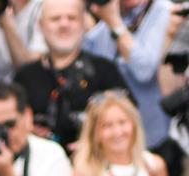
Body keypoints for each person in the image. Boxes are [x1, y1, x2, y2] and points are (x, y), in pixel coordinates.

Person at [14, 0, 128, 149]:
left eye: (72, 18)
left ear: (82, 24)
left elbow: (129, 119)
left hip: (96, 163)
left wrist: (94, 141)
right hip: (42, 165)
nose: (64, 24)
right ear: (41, 26)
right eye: (55, 19)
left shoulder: (104, 69)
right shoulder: (26, 77)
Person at [84, 0, 173, 150]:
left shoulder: (166, 12)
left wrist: (115, 24)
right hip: (117, 140)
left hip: (158, 138)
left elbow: (144, 70)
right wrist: (83, 20)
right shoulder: (113, 16)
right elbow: (90, 58)